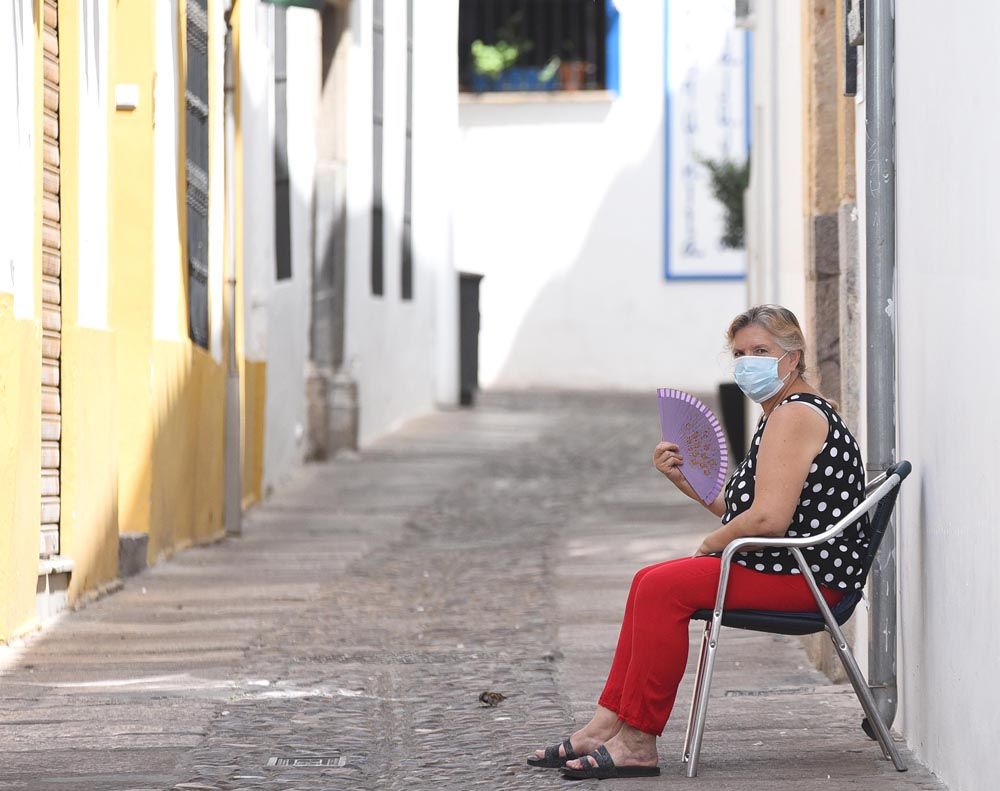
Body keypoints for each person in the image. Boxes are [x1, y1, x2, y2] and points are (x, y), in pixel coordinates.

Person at [527, 305, 870, 780]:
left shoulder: (794, 416)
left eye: (761, 351)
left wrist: (713, 542)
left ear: (792, 358)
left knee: (662, 588)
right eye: (740, 353)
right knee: (650, 579)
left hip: (807, 578)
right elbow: (746, 510)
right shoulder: (783, 413)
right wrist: (688, 483)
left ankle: (637, 742)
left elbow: (769, 520)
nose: (748, 362)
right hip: (788, 566)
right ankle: (605, 725)